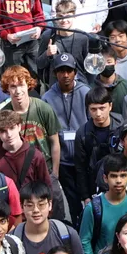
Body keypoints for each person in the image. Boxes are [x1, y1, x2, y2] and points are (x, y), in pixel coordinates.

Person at [14, 180, 86, 254]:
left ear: (50, 204)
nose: (36, 210)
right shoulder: (13, 240)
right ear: (21, 207)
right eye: (29, 205)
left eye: (41, 204)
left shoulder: (67, 234)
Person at [43, 52, 90, 214]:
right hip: (63, 160)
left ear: (75, 72)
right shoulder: (47, 98)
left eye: (69, 71)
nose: (65, 75)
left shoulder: (85, 92)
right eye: (61, 71)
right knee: (72, 201)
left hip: (83, 158)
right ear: (55, 73)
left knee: (88, 197)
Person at [1, 65, 61, 178]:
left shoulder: (43, 108)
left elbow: (55, 142)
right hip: (18, 172)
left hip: (45, 167)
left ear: (28, 85)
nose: (18, 91)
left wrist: (55, 172)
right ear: (7, 88)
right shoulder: (4, 114)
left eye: (21, 85)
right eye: (13, 86)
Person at [80, 153, 127, 254]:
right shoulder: (93, 208)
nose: (118, 181)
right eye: (113, 176)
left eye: (123, 175)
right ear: (105, 178)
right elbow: (84, 241)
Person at [0, 109, 51, 193]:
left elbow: (46, 187)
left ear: (19, 126)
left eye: (12, 128)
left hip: (30, 203)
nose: (9, 134)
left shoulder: (36, 155)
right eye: (3, 131)